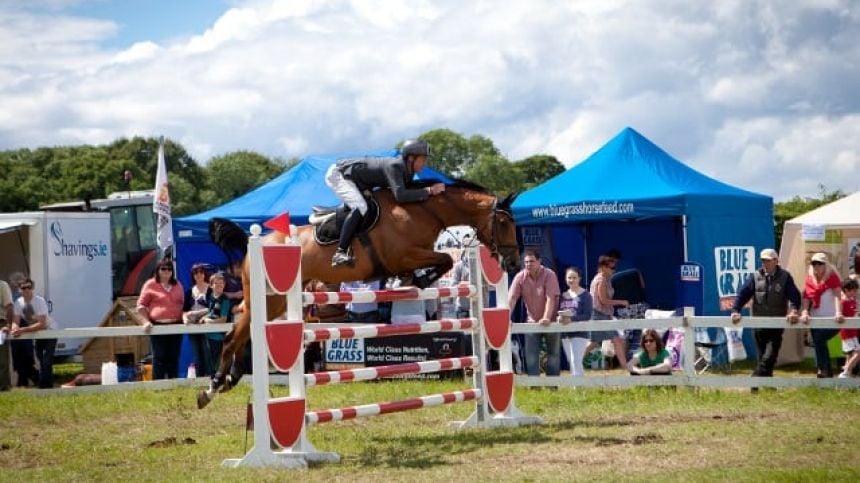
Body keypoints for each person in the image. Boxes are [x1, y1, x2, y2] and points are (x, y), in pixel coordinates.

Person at [324, 139, 446, 267]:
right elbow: (401, 196)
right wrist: (430, 190)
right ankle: (340, 251)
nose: (425, 164)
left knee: (368, 206)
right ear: (411, 158)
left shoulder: (408, 171)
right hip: (339, 175)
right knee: (361, 207)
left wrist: (430, 189)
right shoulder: (395, 166)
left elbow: (410, 190)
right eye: (423, 159)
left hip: (358, 181)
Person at [730, 248, 801, 380]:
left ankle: (755, 379)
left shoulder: (785, 277)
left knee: (770, 355)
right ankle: (766, 384)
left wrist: (794, 311)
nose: (765, 263)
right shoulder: (755, 276)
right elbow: (743, 294)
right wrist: (735, 310)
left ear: (776, 261)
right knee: (762, 355)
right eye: (763, 260)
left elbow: (795, 297)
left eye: (768, 260)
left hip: (776, 323)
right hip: (758, 323)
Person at [508, 249, 561, 377]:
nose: (528, 264)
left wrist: (546, 318)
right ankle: (534, 387)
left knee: (553, 354)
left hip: (552, 321)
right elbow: (512, 298)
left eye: (531, 261)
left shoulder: (549, 274)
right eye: (526, 262)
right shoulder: (520, 277)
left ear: (539, 261)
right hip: (531, 321)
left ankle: (553, 386)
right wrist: (506, 317)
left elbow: (550, 298)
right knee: (531, 355)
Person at [137, 258, 185, 380]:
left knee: (173, 356)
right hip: (157, 326)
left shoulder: (177, 284)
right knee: (159, 357)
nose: (166, 271)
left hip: (176, 325)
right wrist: (146, 321)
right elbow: (141, 306)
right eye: (163, 268)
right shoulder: (150, 284)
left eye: (169, 269)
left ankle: (173, 383)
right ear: (158, 270)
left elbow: (183, 304)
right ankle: (158, 386)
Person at [799, 252, 843, 378]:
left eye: (819, 263)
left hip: (832, 318)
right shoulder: (809, 279)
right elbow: (807, 297)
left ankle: (823, 368)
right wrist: (805, 311)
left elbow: (837, 296)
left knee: (819, 339)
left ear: (826, 265)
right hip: (815, 317)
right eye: (814, 263)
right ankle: (825, 371)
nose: (816, 266)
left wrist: (838, 312)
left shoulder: (832, 277)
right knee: (818, 341)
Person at [10, 278, 58, 388]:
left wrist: (22, 330)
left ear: (32, 288)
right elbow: (15, 321)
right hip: (37, 334)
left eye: (29, 287)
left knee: (47, 361)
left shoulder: (39, 301)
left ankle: (46, 386)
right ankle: (44, 385)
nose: (27, 290)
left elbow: (42, 324)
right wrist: (14, 328)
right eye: (24, 288)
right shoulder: (18, 303)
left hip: (50, 332)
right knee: (41, 361)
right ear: (19, 290)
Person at [590, 255, 629, 369]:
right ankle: (576, 361)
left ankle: (624, 366)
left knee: (612, 340)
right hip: (599, 314)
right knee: (595, 342)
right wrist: (621, 302)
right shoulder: (601, 280)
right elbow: (603, 300)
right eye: (612, 268)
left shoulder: (603, 279)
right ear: (603, 267)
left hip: (603, 314)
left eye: (614, 267)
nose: (614, 270)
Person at [558, 267, 593, 378]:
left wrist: (572, 319)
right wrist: (559, 318)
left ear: (579, 279)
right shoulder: (563, 296)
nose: (571, 280)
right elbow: (559, 310)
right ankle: (577, 387)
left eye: (574, 277)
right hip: (565, 333)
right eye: (569, 278)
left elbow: (587, 315)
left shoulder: (586, 295)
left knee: (576, 360)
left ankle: (578, 387)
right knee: (571, 361)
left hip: (580, 333)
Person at [200, 272, 233, 375]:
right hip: (208, 335)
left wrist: (208, 321)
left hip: (219, 337)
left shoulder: (225, 300)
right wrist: (203, 318)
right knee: (210, 361)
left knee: (219, 361)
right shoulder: (211, 298)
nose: (219, 285)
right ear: (211, 285)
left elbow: (223, 319)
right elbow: (211, 312)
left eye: (221, 283)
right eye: (216, 283)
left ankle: (221, 380)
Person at [183, 263, 211, 376]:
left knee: (207, 353)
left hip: (207, 325)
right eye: (196, 272)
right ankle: (199, 380)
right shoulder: (189, 291)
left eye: (201, 272)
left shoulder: (210, 289)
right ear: (193, 275)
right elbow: (184, 310)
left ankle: (210, 380)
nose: (198, 274)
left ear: (205, 274)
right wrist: (185, 318)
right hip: (193, 328)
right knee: (196, 355)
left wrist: (199, 314)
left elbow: (213, 308)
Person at [837, 279, 859, 378]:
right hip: (847, 333)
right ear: (846, 290)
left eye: (856, 290)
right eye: (853, 290)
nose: (855, 293)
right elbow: (840, 315)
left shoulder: (854, 302)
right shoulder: (842, 302)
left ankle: (847, 374)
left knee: (850, 355)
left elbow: (855, 315)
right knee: (858, 353)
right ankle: (845, 372)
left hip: (853, 333)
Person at [0, 279, 18, 391]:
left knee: (2, 359)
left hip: (0, 325)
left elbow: (9, 306)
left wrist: (8, 325)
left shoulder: (2, 285)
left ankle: (3, 387)